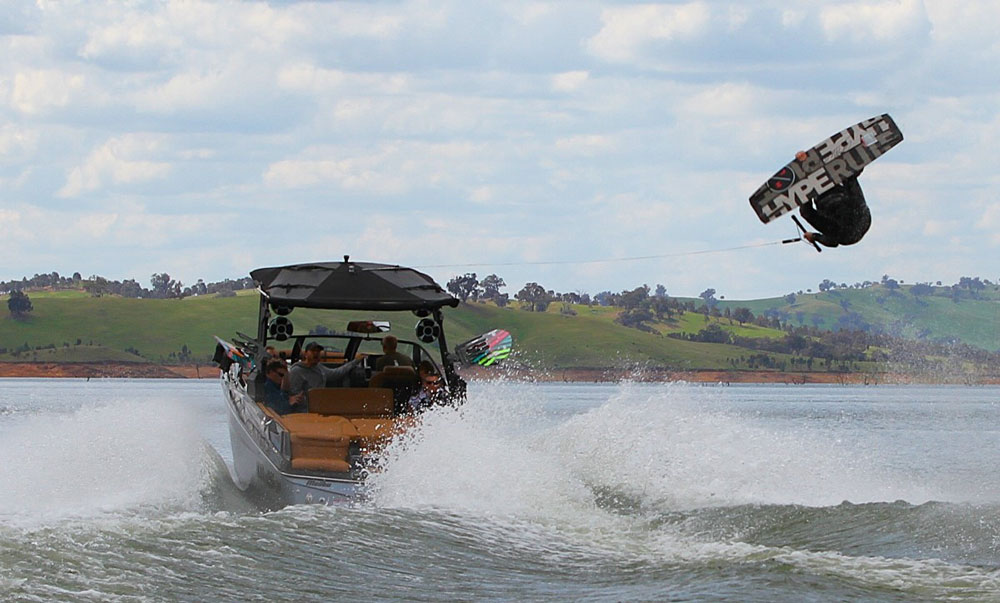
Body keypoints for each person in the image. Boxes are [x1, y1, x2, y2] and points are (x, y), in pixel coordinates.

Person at [798, 159, 871, 248]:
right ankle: (804, 191)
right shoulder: (838, 233)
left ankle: (853, 168)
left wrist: (814, 237)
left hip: (860, 219)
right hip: (855, 220)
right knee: (807, 213)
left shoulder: (838, 233)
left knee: (849, 178)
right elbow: (832, 243)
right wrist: (814, 237)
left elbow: (832, 243)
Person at [285, 341, 360, 398]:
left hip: (321, 403)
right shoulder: (297, 371)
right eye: (313, 351)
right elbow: (294, 394)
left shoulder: (319, 367)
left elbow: (335, 374)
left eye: (318, 351)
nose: (316, 353)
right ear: (305, 354)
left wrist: (355, 361)